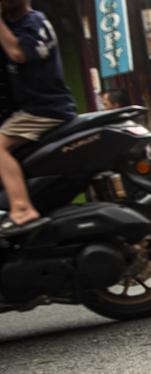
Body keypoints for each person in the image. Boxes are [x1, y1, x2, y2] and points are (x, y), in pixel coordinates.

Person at [0, 0, 76, 236]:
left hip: (44, 109)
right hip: (33, 109)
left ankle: (22, 208)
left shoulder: (34, 21)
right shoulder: (16, 27)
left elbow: (19, 53)